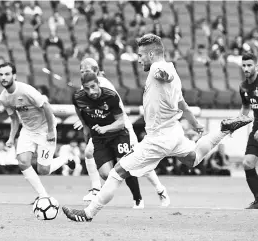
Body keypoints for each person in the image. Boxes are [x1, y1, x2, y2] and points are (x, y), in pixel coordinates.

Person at [62, 34, 253, 222]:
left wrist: (162, 73)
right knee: (193, 159)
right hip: (173, 131)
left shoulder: (158, 69)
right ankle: (223, 130)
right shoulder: (173, 73)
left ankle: (88, 213)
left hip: (158, 138)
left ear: (152, 55)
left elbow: (164, 74)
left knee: (116, 172)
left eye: (141, 55)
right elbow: (182, 103)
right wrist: (194, 123)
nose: (138, 60)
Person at [77, 58, 169, 208]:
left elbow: (109, 109)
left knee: (136, 160)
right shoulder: (87, 87)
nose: (83, 75)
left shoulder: (102, 85)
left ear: (95, 71)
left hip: (120, 127)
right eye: (81, 72)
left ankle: (159, 190)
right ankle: (96, 189)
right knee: (89, 152)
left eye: (86, 71)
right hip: (103, 130)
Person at [72, 71, 145, 209]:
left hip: (118, 134)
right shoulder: (78, 97)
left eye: (93, 86)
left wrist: (106, 128)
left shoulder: (110, 96)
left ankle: (137, 198)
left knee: (125, 166)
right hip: (99, 138)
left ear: (98, 83)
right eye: (87, 88)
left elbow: (121, 123)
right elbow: (78, 109)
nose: (91, 91)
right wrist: (84, 124)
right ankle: (105, 190)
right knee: (105, 174)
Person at [0, 62, 68, 200]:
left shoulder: (26, 91)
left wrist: (50, 131)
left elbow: (46, 107)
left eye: (7, 74)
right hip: (28, 130)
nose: (4, 77)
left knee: (43, 170)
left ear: (14, 76)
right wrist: (11, 137)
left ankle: (65, 159)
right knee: (23, 162)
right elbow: (14, 118)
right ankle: (43, 195)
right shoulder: (4, 98)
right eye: (1, 75)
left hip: (45, 128)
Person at [239, 53, 258, 209]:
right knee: (247, 163)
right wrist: (236, 123)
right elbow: (246, 107)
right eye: (244, 65)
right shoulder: (243, 86)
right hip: (256, 128)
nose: (246, 68)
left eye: (249, 65)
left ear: (256, 66)